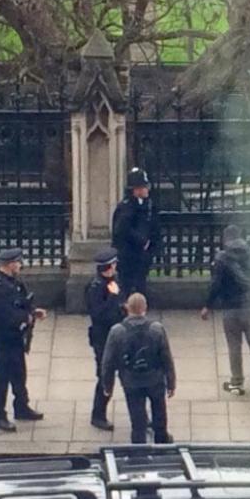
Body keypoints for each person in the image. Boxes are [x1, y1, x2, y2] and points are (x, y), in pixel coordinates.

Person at [200, 225, 250, 396]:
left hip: (230, 308)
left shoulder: (222, 258)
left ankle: (237, 383)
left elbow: (215, 285)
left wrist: (207, 305)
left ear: (226, 239)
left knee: (234, 346)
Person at [0, 247, 47, 432]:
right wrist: (24, 318)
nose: (20, 265)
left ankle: (21, 406)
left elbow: (21, 303)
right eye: (18, 262)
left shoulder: (13, 283)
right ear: (10, 264)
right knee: (2, 376)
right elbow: (4, 314)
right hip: (4, 338)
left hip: (16, 336)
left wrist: (33, 312)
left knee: (19, 373)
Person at [101, 292, 176, 444]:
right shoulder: (156, 329)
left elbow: (108, 362)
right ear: (145, 308)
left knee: (137, 420)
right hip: (155, 379)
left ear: (127, 308)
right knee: (159, 415)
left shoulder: (117, 331)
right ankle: (162, 443)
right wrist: (171, 382)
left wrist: (107, 385)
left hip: (131, 381)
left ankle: (139, 451)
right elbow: (166, 358)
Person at [85, 247, 125, 431]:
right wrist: (112, 297)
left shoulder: (113, 281)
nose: (116, 267)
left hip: (118, 334)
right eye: (113, 264)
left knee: (129, 375)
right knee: (105, 376)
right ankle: (98, 414)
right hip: (103, 338)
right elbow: (98, 314)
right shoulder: (95, 287)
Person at [112, 167, 161, 296]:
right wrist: (142, 241)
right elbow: (122, 230)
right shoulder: (126, 207)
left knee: (140, 285)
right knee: (127, 288)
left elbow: (153, 226)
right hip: (128, 256)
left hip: (141, 256)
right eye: (144, 186)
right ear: (135, 189)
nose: (147, 189)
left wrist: (152, 246)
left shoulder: (148, 205)